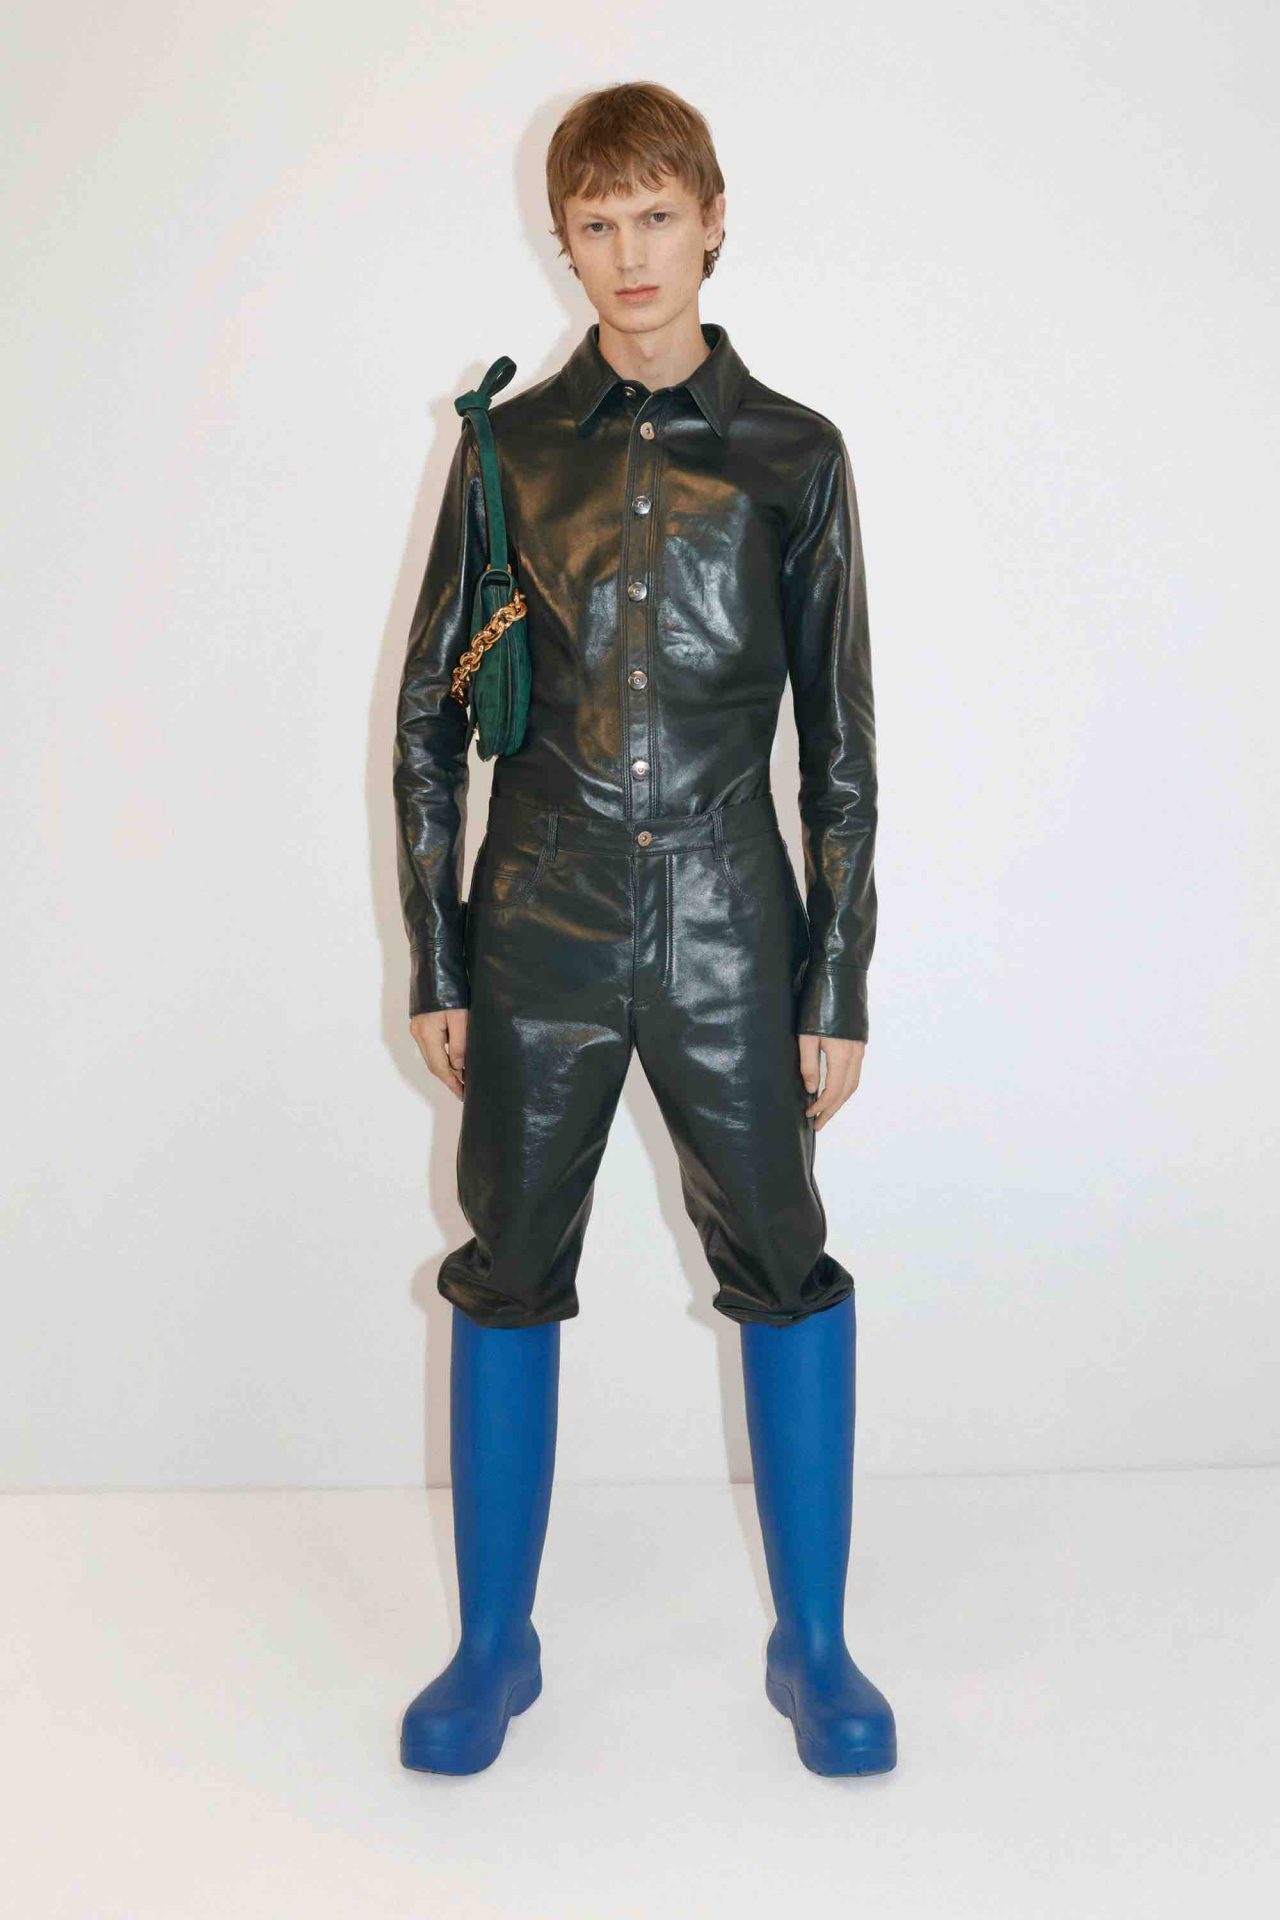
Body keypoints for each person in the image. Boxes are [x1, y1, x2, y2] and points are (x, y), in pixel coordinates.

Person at [393, 80, 896, 1777]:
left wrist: (837, 976)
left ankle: (815, 1645)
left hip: (731, 921)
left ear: (714, 221)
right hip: (536, 915)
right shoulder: (508, 453)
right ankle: (493, 1646)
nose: (629, 254)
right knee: (506, 1265)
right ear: (564, 240)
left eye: (657, 217)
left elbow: (840, 745)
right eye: (596, 224)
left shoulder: (794, 456)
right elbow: (428, 724)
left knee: (784, 1262)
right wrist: (440, 955)